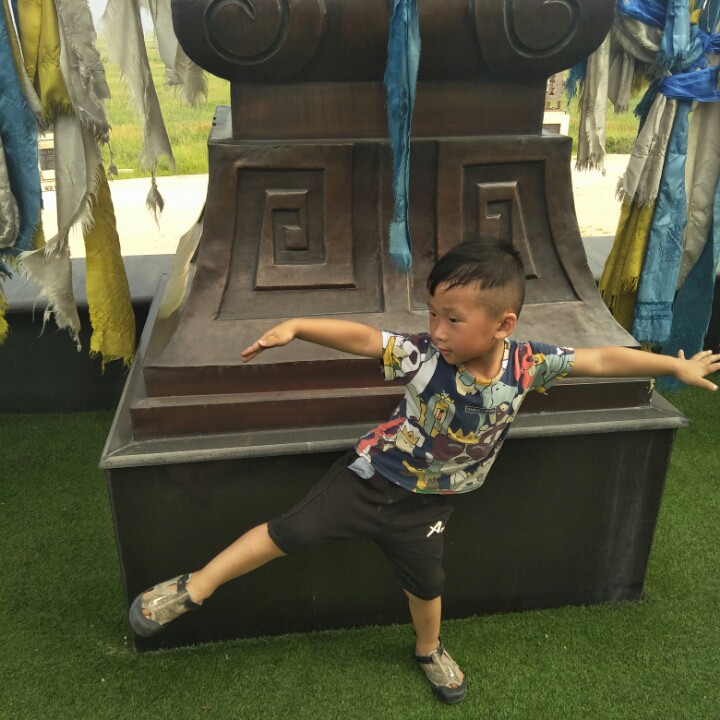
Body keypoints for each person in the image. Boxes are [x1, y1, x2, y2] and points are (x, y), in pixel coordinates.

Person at [128, 240, 720, 705]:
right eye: (433, 313)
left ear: (503, 324)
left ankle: (428, 651)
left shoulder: (528, 364)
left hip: (428, 506)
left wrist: (672, 366)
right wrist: (300, 326)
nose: (437, 329)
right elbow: (366, 338)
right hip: (369, 480)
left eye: (452, 319)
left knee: (428, 586)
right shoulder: (423, 356)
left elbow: (600, 358)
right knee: (287, 533)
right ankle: (195, 587)